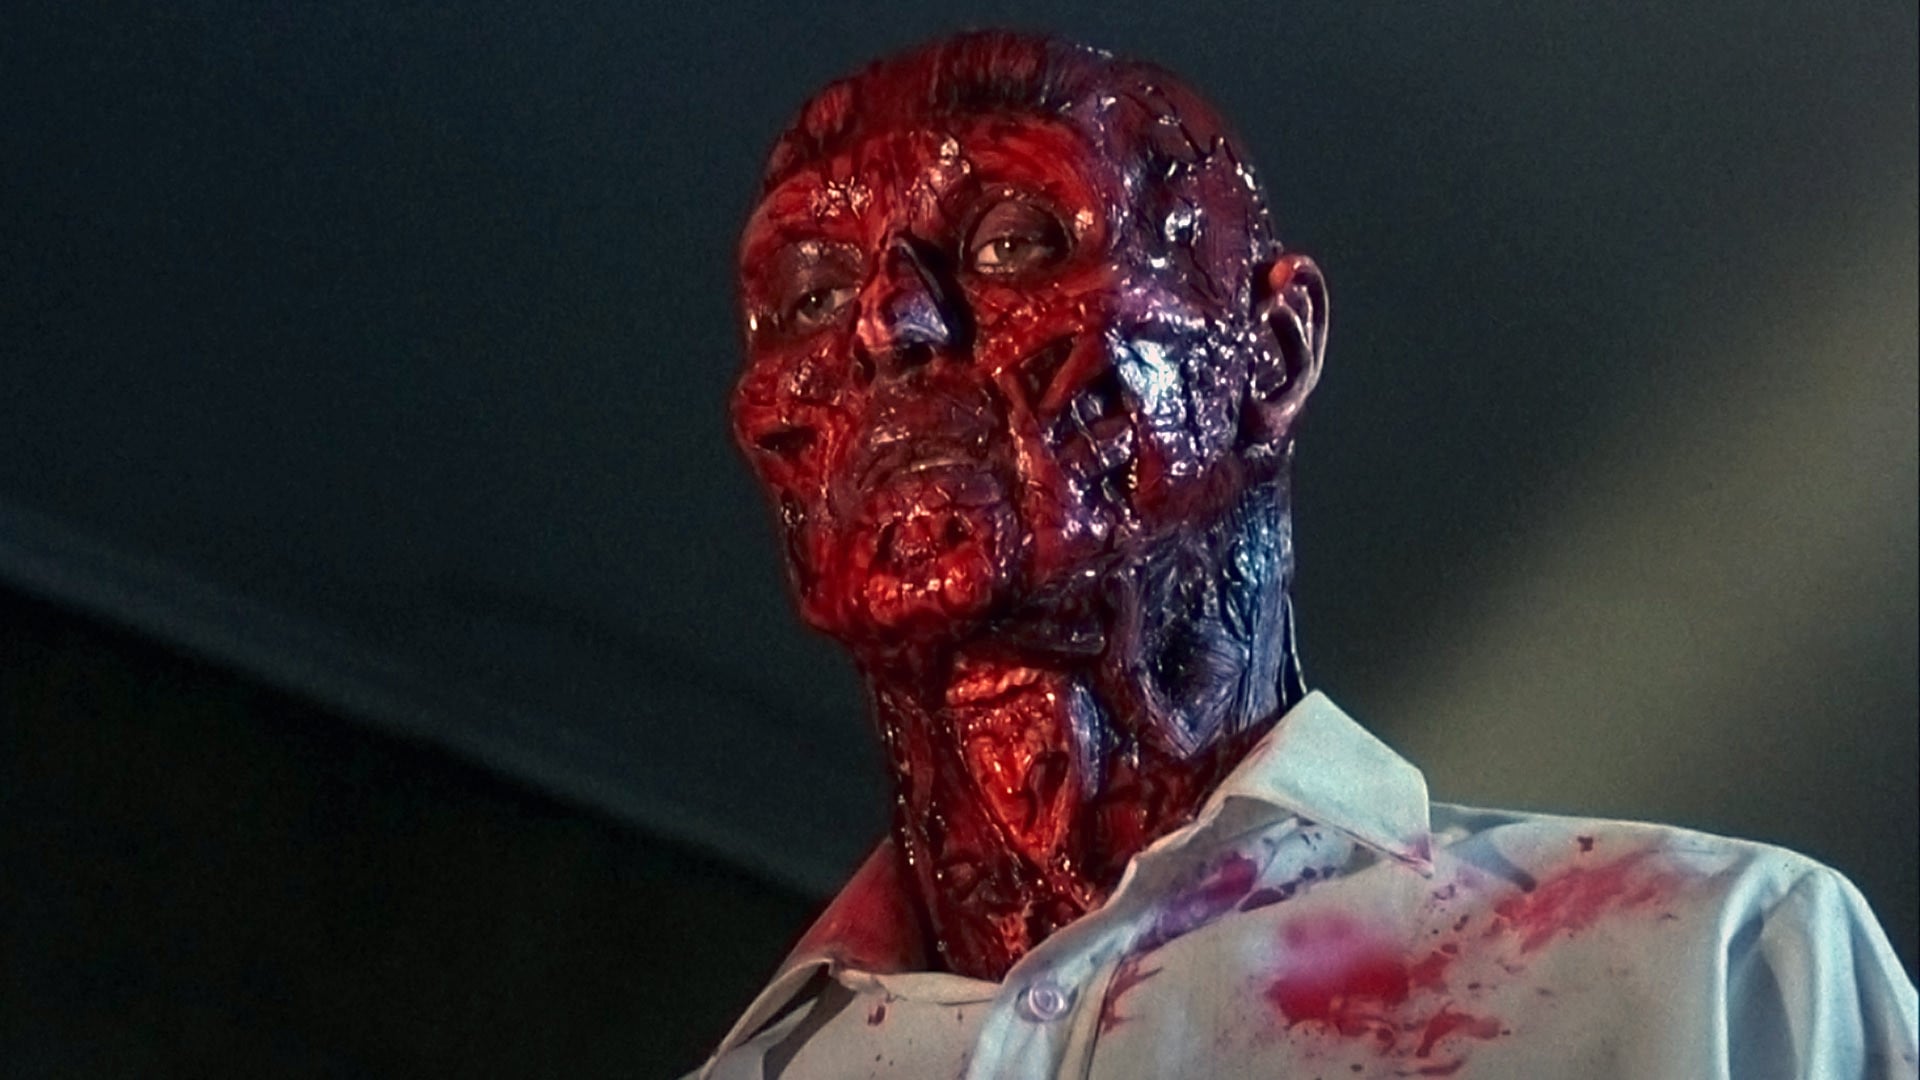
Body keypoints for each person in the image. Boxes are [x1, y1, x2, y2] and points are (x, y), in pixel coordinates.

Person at [699, 31, 1917, 1079]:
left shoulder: (1711, 967)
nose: (890, 321)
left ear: (1272, 353)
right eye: (807, 298)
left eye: (1013, 242)